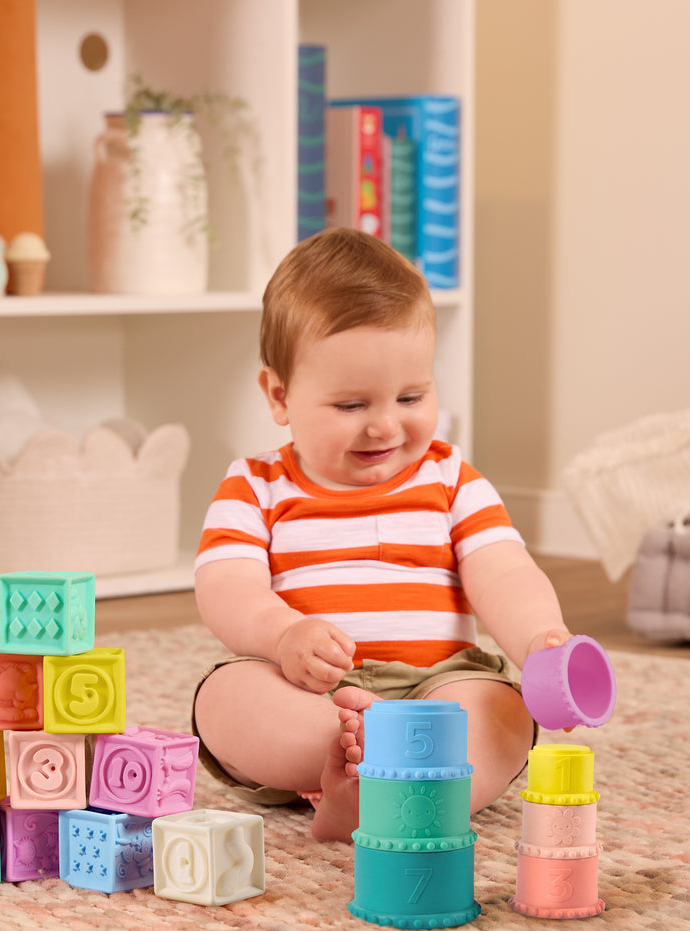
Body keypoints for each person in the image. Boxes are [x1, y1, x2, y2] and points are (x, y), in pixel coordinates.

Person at [192, 227, 570, 842]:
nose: (386, 426)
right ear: (280, 395)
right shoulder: (255, 485)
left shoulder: (452, 480)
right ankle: (352, 766)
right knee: (224, 697)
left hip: (436, 689)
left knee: (501, 708)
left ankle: (396, 786)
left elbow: (504, 572)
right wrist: (282, 634)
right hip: (308, 695)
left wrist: (540, 640)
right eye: (352, 406)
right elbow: (226, 587)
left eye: (411, 396)